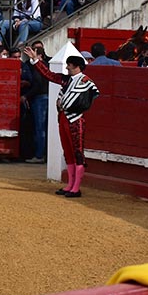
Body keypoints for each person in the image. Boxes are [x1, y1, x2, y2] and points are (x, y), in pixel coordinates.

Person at [24, 46, 99, 198]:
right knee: (68, 152)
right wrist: (35, 60)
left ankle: (76, 187)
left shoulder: (86, 82)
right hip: (64, 118)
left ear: (77, 67)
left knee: (77, 152)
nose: (67, 68)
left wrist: (67, 105)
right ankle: (71, 185)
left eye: (69, 66)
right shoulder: (67, 80)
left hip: (76, 119)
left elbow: (87, 101)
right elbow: (48, 75)